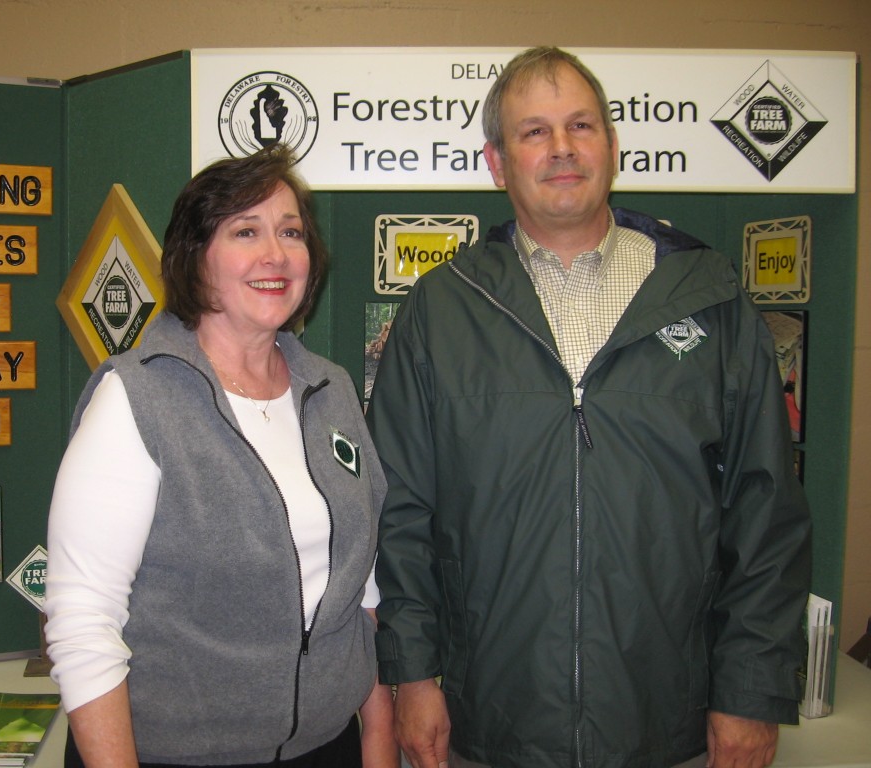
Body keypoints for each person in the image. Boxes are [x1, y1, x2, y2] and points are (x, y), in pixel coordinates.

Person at [366, 47, 811, 768]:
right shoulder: (441, 312)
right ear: (497, 163)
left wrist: (754, 692)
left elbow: (766, 515)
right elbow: (402, 515)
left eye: (581, 125)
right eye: (533, 132)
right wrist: (413, 676)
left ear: (611, 144)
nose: (562, 148)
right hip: (492, 727)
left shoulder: (712, 301)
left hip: (671, 729)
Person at [44, 145, 398, 768]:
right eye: (245, 231)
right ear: (194, 258)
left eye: (291, 232)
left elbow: (357, 584)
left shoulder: (332, 389)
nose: (275, 253)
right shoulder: (136, 398)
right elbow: (83, 623)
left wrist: (377, 738)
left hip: (328, 746)